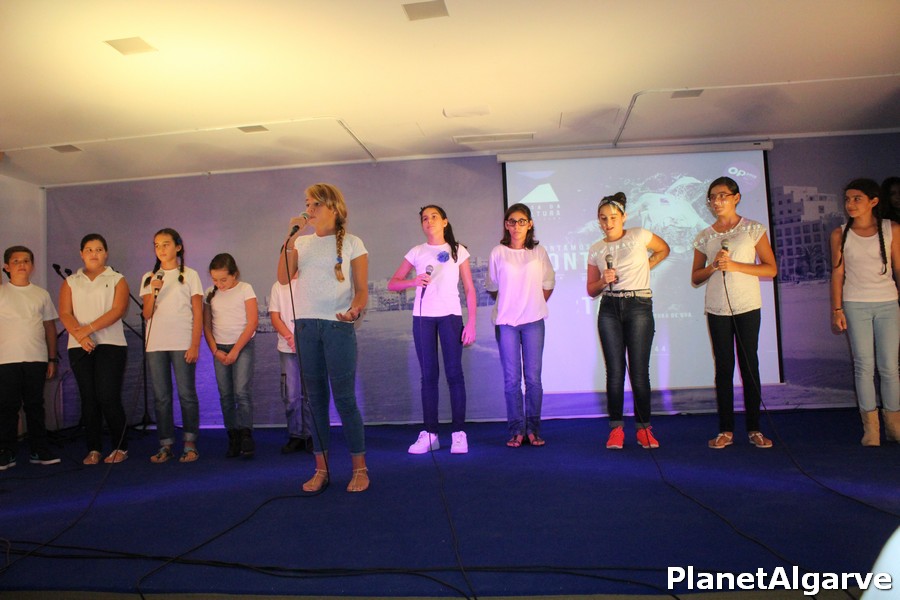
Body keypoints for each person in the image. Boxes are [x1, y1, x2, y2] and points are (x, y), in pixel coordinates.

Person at [277, 183, 370, 492]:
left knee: (345, 400)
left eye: (315, 204)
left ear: (333, 207)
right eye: (307, 204)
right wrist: (290, 238)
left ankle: (360, 469)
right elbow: (283, 278)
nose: (309, 209)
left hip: (337, 328)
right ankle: (321, 469)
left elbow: (361, 290)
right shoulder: (301, 243)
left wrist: (355, 310)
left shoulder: (353, 242)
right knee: (315, 402)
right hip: (305, 328)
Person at [691, 176, 777, 450]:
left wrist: (737, 265)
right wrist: (714, 266)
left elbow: (771, 268)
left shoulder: (753, 229)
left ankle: (754, 429)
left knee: (749, 366)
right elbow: (695, 277)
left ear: (736, 197)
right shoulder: (705, 236)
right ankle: (726, 430)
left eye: (722, 196)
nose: (717, 201)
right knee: (724, 368)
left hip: (747, 305)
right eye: (712, 197)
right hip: (717, 307)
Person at [387, 205, 477, 455]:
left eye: (434, 216)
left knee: (454, 374)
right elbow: (393, 284)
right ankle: (430, 434)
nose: (429, 221)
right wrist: (413, 281)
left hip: (450, 317)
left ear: (445, 222)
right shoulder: (416, 251)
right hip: (422, 318)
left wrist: (471, 322)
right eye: (424, 218)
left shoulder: (458, 250)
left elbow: (469, 289)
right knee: (428, 376)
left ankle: (459, 434)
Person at [587, 193, 670, 450]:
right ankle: (616, 429)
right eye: (603, 218)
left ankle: (644, 429)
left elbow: (664, 249)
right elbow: (591, 289)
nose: (608, 223)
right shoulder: (596, 248)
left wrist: (647, 265)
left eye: (613, 217)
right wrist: (603, 280)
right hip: (609, 307)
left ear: (623, 217)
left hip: (639, 306)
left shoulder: (638, 235)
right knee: (614, 372)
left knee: (639, 372)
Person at [830, 178, 900, 446]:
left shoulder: (892, 229)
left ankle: (894, 425)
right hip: (855, 303)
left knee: (889, 367)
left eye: (857, 198)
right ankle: (871, 429)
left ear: (874, 201)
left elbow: (898, 268)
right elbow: (837, 274)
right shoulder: (840, 234)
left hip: (888, 303)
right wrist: (837, 309)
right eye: (847, 199)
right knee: (863, 366)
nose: (850, 204)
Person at [485, 203, 555, 447]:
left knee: (533, 379)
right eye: (512, 221)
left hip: (534, 322)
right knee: (511, 380)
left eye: (522, 221)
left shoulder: (539, 252)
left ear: (530, 224)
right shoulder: (498, 252)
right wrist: (512, 303)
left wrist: (532, 303)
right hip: (506, 323)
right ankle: (516, 430)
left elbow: (548, 283)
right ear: (506, 225)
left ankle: (533, 430)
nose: (516, 226)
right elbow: (493, 286)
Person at [58, 234, 130, 464]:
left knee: (108, 395)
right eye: (89, 249)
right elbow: (65, 312)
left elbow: (117, 310)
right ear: (81, 254)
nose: (94, 254)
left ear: (106, 253)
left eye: (98, 249)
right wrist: (80, 337)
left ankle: (120, 447)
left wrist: (88, 329)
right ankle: (94, 448)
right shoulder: (71, 281)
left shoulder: (117, 279)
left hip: (111, 344)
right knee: (88, 398)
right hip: (79, 346)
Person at [140, 228, 203, 463]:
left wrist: (195, 344)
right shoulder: (149, 277)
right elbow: (147, 313)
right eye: (156, 245)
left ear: (178, 247)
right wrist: (154, 290)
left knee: (187, 394)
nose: (161, 249)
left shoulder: (190, 275)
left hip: (182, 340)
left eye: (165, 244)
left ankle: (190, 443)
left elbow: (198, 312)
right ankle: (165, 444)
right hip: (156, 343)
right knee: (161, 397)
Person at [0, 246, 60, 470]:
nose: (21, 265)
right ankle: (7, 451)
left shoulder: (41, 294)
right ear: (7, 267)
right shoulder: (1, 292)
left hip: (36, 358)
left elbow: (49, 327)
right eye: (16, 261)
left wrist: (52, 359)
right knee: (8, 407)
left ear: (32, 266)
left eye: (26, 260)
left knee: (35, 405)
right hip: (6, 359)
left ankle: (39, 449)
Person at [203, 253, 258, 458]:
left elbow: (252, 322)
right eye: (215, 280)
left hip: (242, 346)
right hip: (219, 348)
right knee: (225, 395)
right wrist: (215, 350)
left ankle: (246, 434)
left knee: (241, 391)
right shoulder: (210, 293)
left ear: (234, 274)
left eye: (223, 279)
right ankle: (232, 435)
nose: (219, 284)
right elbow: (207, 325)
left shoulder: (245, 289)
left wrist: (235, 350)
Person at [269, 276, 314, 454]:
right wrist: (290, 338)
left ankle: (312, 435)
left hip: (310, 347)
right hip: (287, 349)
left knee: (311, 394)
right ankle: (296, 435)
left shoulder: (310, 281)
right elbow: (275, 317)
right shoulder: (278, 286)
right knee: (291, 395)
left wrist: (302, 338)